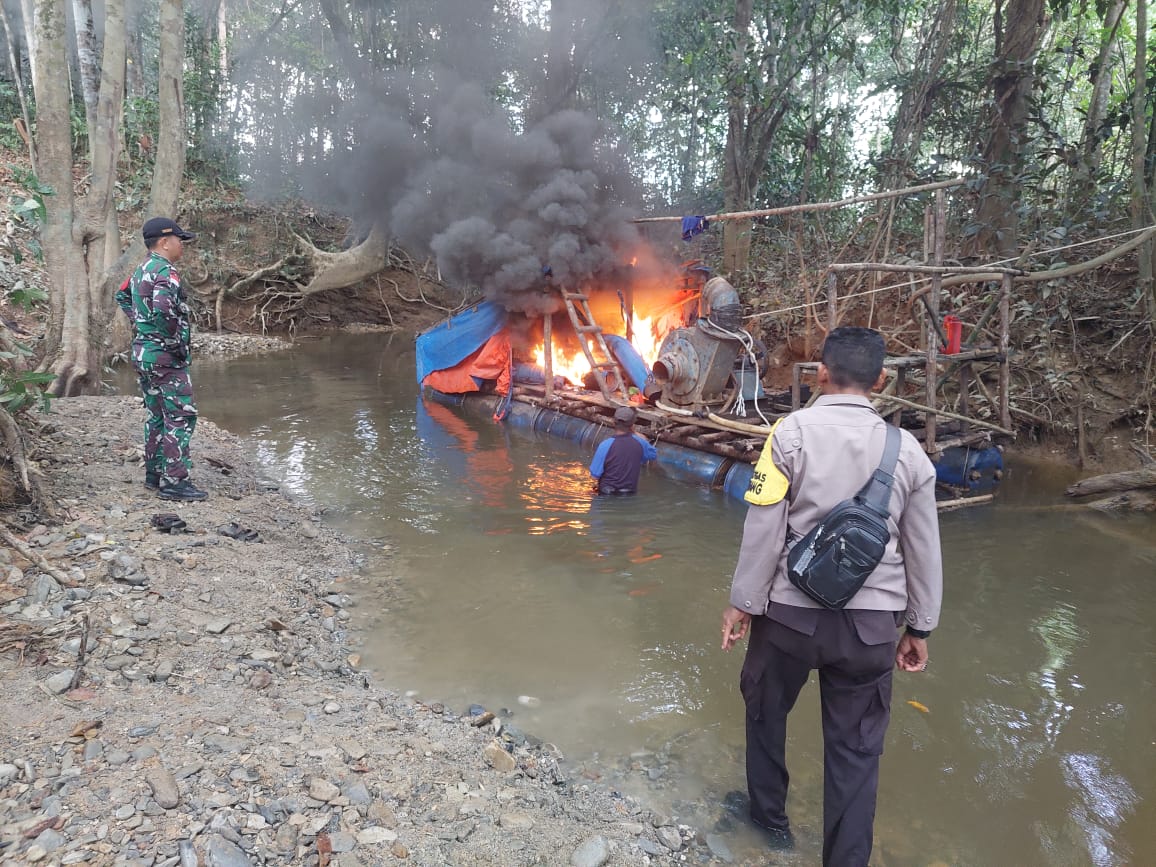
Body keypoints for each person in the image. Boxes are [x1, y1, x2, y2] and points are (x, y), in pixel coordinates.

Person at [719, 326, 942, 866]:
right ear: (882, 381)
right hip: (871, 630)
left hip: (788, 620)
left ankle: (769, 821)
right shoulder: (908, 450)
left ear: (821, 373)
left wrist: (742, 604)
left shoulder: (788, 434)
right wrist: (919, 628)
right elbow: (923, 548)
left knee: (765, 713)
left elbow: (764, 527)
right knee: (857, 752)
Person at [115, 217, 207, 502]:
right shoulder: (166, 272)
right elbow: (164, 311)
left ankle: (154, 475)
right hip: (165, 357)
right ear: (165, 242)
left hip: (144, 354)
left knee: (157, 415)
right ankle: (175, 482)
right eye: (180, 240)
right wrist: (174, 342)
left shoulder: (142, 268)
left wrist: (141, 324)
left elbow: (122, 295)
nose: (183, 245)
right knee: (180, 416)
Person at [589, 406, 657, 494]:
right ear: (632, 425)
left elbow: (595, 476)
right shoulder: (641, 443)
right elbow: (653, 454)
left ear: (614, 422)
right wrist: (634, 432)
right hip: (629, 492)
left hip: (606, 494)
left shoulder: (605, 445)